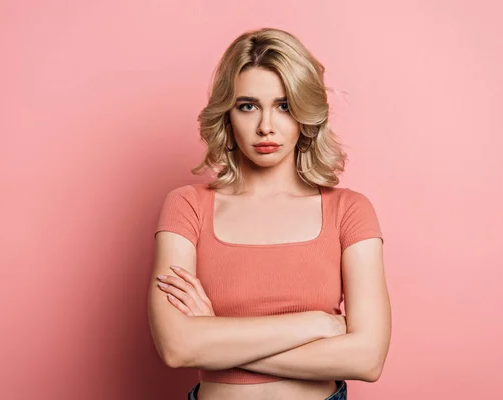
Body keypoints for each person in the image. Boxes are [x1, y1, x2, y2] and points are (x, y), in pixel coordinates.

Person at [148, 27, 391, 400]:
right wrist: (318, 324)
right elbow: (177, 347)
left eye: (284, 105)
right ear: (227, 114)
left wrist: (216, 337)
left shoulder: (349, 211)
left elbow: (367, 359)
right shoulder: (187, 207)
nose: (265, 126)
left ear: (305, 115)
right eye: (248, 105)